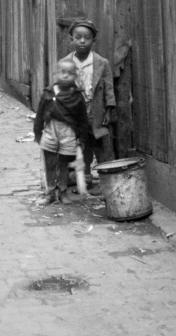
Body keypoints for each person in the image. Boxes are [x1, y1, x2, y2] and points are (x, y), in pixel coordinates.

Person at [61, 19, 116, 190]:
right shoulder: (65, 63)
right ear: (72, 39)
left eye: (87, 38)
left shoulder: (102, 63)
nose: (82, 41)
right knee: (81, 147)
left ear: (94, 40)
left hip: (96, 110)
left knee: (101, 146)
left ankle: (106, 181)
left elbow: (108, 88)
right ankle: (84, 180)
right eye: (78, 37)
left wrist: (108, 110)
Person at [33, 58, 93, 205]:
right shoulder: (48, 93)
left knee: (64, 163)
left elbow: (82, 119)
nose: (65, 76)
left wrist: (82, 138)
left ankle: (63, 191)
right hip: (51, 130)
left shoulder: (77, 97)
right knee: (50, 162)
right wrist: (38, 133)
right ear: (55, 74)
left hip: (69, 132)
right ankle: (51, 192)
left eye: (70, 73)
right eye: (62, 72)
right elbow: (40, 114)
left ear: (76, 76)